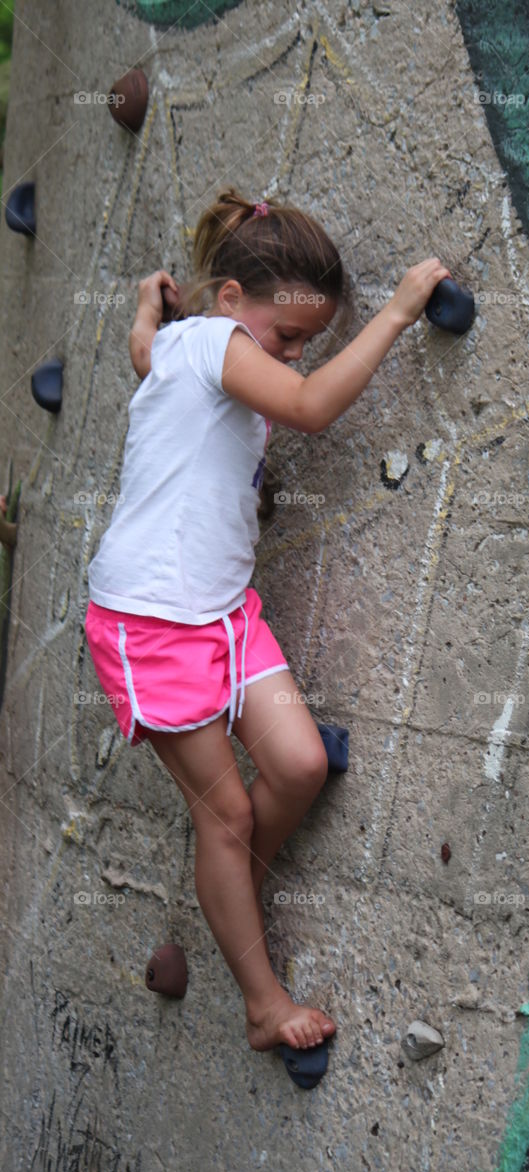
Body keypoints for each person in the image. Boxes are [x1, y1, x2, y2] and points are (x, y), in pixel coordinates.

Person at [84, 186, 449, 1060]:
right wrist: (397, 313)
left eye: (303, 345)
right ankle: (261, 1001)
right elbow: (311, 408)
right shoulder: (215, 342)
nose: (290, 356)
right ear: (228, 301)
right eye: (285, 337)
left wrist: (145, 310)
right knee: (225, 816)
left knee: (299, 764)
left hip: (222, 610)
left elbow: (145, 352)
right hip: (149, 623)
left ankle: (231, 888)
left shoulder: (183, 343)